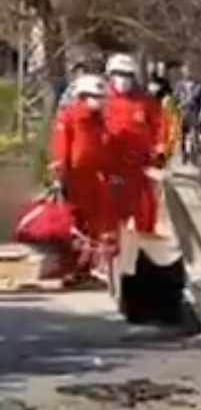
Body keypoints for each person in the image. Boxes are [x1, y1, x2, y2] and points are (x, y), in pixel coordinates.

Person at [48, 73, 116, 284]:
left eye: (101, 97)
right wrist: (59, 169)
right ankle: (71, 269)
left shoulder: (99, 121)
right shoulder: (68, 116)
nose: (100, 101)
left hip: (95, 180)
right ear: (83, 96)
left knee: (95, 227)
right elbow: (61, 144)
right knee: (75, 226)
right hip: (75, 179)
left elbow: (104, 149)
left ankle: (87, 268)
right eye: (96, 97)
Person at [103, 53, 165, 235]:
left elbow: (161, 127)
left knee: (145, 211)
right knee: (108, 214)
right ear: (110, 75)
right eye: (118, 74)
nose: (123, 79)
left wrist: (160, 156)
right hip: (109, 167)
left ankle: (144, 244)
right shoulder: (101, 100)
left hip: (139, 167)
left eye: (127, 75)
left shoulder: (145, 101)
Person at [148, 72, 182, 167]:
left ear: (161, 86)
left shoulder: (169, 101)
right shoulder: (149, 99)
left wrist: (168, 146)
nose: (151, 87)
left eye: (154, 85)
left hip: (163, 142)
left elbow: (174, 122)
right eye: (151, 84)